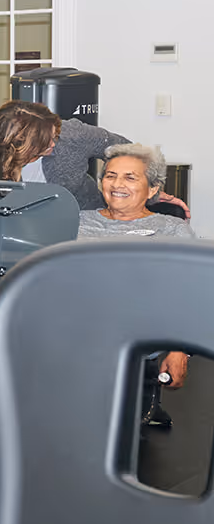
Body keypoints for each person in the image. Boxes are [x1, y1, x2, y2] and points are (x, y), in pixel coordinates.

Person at [77, 144, 196, 409]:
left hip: (134, 349)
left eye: (130, 177)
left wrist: (180, 350)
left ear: (153, 189)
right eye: (110, 175)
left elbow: (191, 293)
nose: (117, 184)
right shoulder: (75, 220)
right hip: (70, 340)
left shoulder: (171, 230)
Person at [0, 100, 186, 215]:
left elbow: (131, 155)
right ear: (20, 145)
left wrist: (151, 193)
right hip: (24, 233)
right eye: (46, 141)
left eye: (55, 135)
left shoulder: (73, 135)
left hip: (85, 223)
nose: (54, 143)